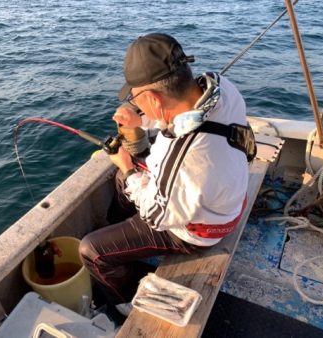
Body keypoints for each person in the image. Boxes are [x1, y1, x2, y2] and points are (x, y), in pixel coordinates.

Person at [79, 33, 250, 316]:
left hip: (200, 231)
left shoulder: (185, 157)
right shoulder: (220, 86)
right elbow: (181, 114)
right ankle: (119, 240)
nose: (135, 104)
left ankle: (123, 303)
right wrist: (142, 121)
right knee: (126, 182)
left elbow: (156, 215)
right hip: (226, 198)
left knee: (92, 251)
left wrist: (127, 165)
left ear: (154, 99)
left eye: (136, 99)